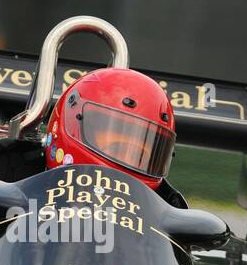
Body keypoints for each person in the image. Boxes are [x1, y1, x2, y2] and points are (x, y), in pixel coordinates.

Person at [41, 68, 176, 191]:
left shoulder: (168, 211)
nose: (128, 157)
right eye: (117, 148)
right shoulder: (22, 200)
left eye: (140, 155)